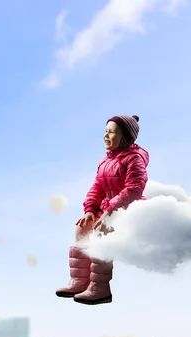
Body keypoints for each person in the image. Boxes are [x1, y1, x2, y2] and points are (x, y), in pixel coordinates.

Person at [55, 115, 149, 305]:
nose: (106, 136)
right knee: (82, 229)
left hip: (126, 210)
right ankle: (80, 281)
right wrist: (90, 209)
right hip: (107, 209)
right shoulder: (105, 161)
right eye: (105, 131)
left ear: (126, 137)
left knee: (100, 233)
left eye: (112, 132)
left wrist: (110, 211)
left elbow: (133, 189)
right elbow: (97, 187)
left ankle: (100, 287)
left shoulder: (134, 159)